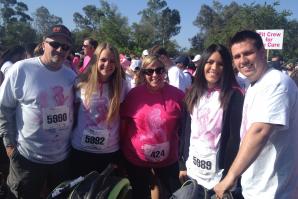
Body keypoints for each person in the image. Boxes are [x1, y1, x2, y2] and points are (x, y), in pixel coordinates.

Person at [214, 30, 298, 199]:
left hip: (275, 191)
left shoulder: (276, 83)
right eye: (237, 56)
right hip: (256, 186)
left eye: (248, 53)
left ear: (262, 52)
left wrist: (230, 177)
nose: (242, 60)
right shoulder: (254, 85)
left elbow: (260, 130)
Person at [0, 24, 76, 199]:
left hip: (61, 159)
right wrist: (9, 145)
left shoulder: (71, 76)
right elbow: (4, 108)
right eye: (54, 44)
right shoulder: (21, 69)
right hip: (27, 158)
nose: (59, 49)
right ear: (43, 44)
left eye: (65, 47)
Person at [179, 44, 244, 198]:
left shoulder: (234, 96)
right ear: (202, 64)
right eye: (210, 62)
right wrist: (182, 163)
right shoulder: (193, 92)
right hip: (193, 171)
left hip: (218, 179)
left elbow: (235, 140)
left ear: (227, 68)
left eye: (220, 64)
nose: (214, 67)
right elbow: (185, 131)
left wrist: (228, 176)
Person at [120, 55, 184, 199]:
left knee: (172, 195)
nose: (155, 75)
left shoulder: (178, 96)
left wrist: (182, 162)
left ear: (165, 72)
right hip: (136, 160)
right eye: (149, 71)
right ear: (143, 74)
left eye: (159, 70)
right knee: (140, 194)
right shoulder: (134, 95)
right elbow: (124, 124)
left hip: (168, 161)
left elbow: (185, 130)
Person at [70, 42, 128, 177]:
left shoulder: (123, 85)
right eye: (103, 60)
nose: (107, 65)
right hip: (81, 150)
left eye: (112, 61)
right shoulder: (80, 82)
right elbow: (73, 114)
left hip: (109, 151)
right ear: (96, 60)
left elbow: (123, 117)